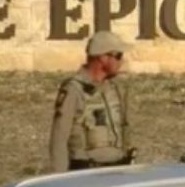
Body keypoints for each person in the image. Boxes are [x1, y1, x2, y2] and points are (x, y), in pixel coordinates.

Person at [48, 30, 135, 172]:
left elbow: (125, 130)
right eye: (118, 56)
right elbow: (59, 139)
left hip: (118, 171)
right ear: (103, 58)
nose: (121, 61)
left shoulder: (115, 89)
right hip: (86, 173)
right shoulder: (74, 90)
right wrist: (60, 180)